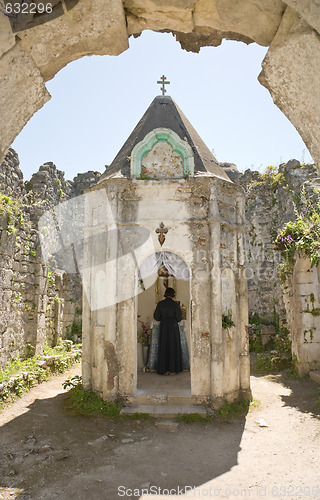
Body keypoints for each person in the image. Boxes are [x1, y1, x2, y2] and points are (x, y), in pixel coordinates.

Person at [153, 287, 183, 375]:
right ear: (173, 294)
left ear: (165, 294)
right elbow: (179, 318)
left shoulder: (160, 304)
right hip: (173, 327)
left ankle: (163, 369)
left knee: (164, 346)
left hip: (164, 326)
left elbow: (156, 317)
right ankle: (173, 369)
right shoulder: (175, 304)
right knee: (173, 346)